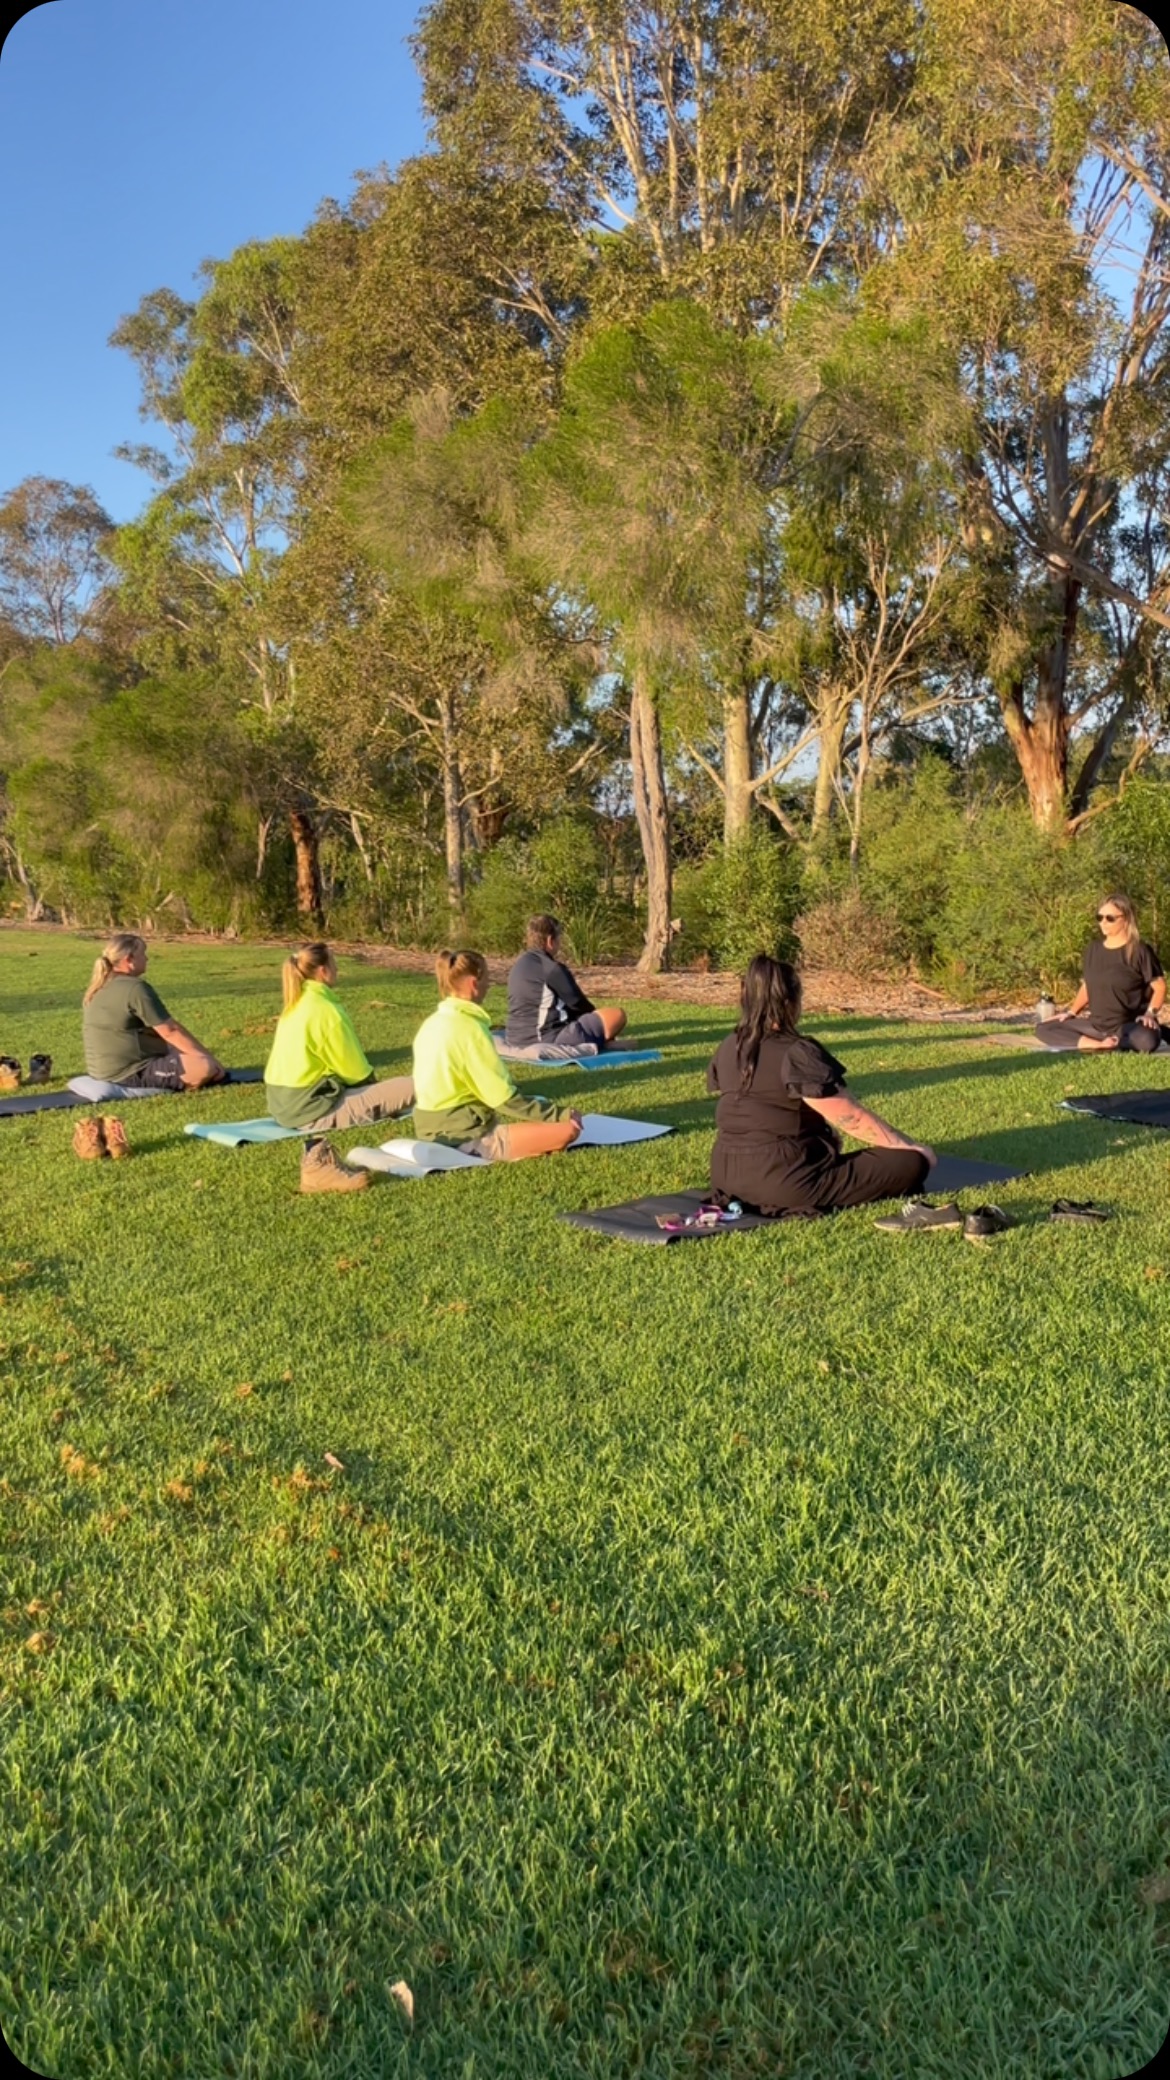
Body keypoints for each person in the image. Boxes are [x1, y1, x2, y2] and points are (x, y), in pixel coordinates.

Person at [707, 955, 935, 1216]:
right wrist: (910, 1147)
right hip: (783, 1182)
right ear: (790, 1003)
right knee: (909, 1163)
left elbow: (762, 1109)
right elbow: (851, 1117)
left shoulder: (728, 1045)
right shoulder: (797, 1051)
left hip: (725, 1178)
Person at [265, 944, 415, 1194]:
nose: (338, 969)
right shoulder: (324, 1011)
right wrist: (384, 1100)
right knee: (414, 1086)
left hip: (282, 1105)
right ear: (323, 971)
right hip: (310, 1110)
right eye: (335, 964)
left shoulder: (295, 1003)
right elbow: (357, 1073)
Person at [414, 948, 582, 1161]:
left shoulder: (430, 1024)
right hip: (461, 1136)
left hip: (428, 1129)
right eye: (487, 979)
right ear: (474, 984)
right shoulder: (469, 1028)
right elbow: (503, 1099)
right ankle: (478, 1149)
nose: (489, 986)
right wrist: (559, 1114)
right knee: (567, 1129)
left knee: (538, 1110)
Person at [82, 934, 226, 1090]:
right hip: (129, 1073)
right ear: (129, 959)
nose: (147, 958)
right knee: (203, 1066)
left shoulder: (99, 986)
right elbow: (170, 1031)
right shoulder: (135, 988)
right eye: (142, 954)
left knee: (178, 1048)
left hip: (103, 1071)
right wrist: (208, 1058)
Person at [1034, 895, 1165, 1052]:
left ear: (1126, 919)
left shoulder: (1139, 951)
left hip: (1129, 1025)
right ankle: (1097, 1043)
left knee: (1146, 1041)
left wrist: (1150, 1014)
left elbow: (1160, 987)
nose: (1103, 922)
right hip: (1097, 1026)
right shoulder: (1093, 950)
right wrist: (1071, 1012)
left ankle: (1119, 1039)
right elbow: (1087, 986)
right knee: (1043, 1028)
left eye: (1110, 918)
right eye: (1100, 917)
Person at [505, 914, 627, 1053]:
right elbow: (578, 1004)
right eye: (559, 939)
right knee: (617, 1015)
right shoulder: (552, 969)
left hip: (515, 1038)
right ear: (550, 941)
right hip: (548, 1039)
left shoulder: (518, 965)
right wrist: (596, 1017)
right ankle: (598, 1039)